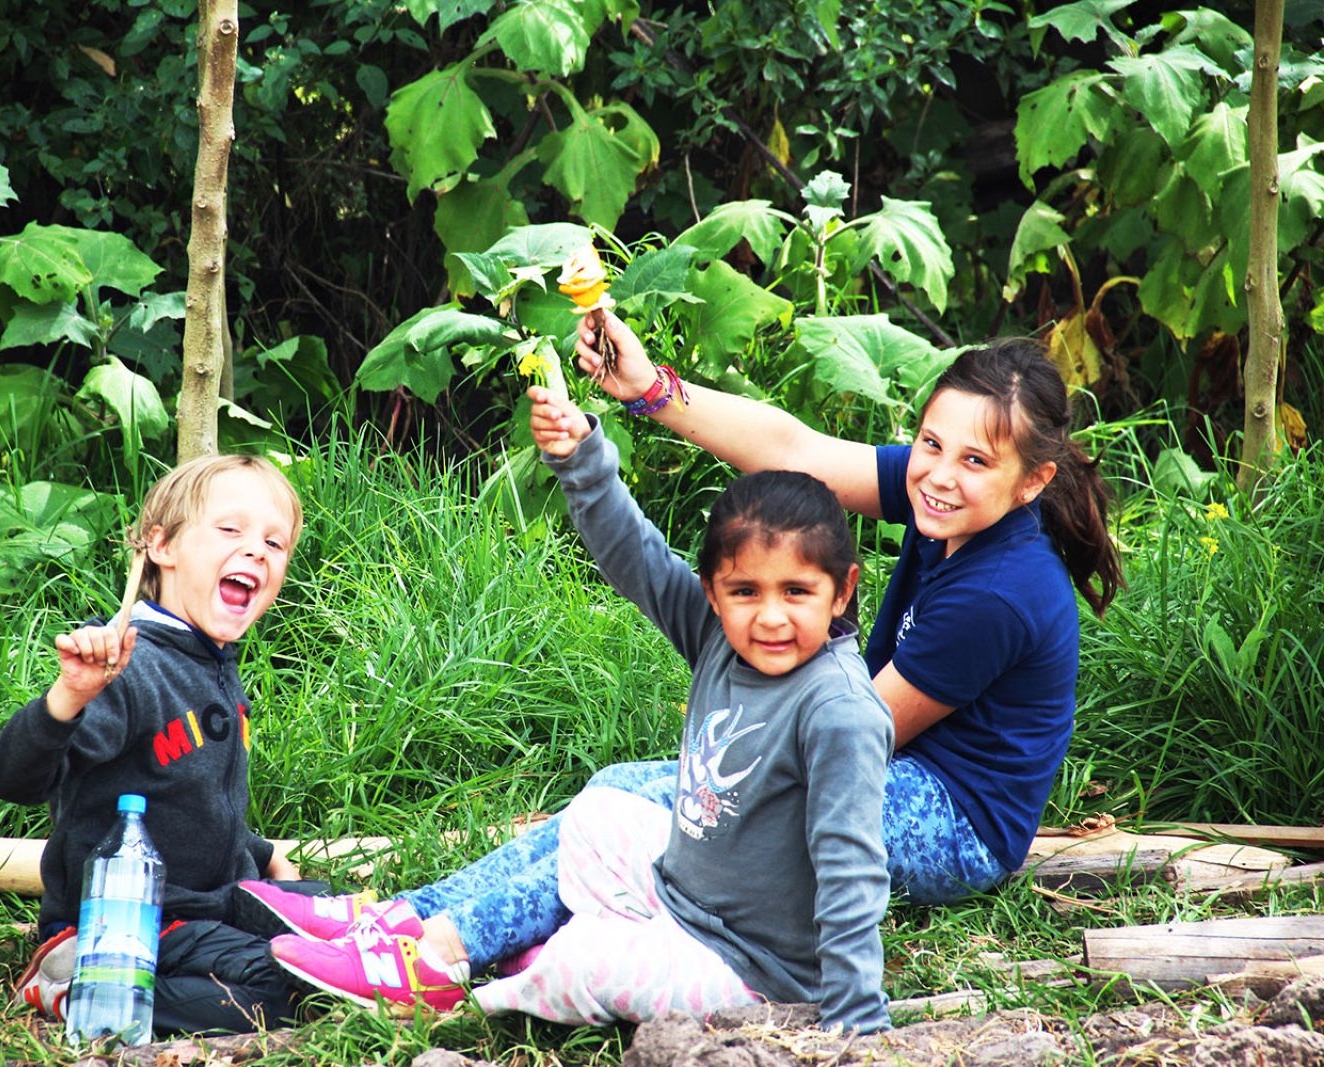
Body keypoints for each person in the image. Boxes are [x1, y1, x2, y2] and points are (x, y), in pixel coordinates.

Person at [236, 314, 1122, 1010]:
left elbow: (850, 738)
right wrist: (648, 386)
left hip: (954, 818)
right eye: (931, 445)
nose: (939, 473)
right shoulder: (953, 501)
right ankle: (401, 917)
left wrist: (711, 772)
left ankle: (433, 955)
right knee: (634, 785)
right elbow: (798, 454)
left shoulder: (1000, 590)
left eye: (974, 460)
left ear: (1031, 481)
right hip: (889, 758)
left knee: (672, 803)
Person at [268, 387, 894, 1029]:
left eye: (797, 591)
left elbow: (852, 870)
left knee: (583, 966)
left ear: (842, 591)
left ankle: (459, 997)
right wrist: (581, 458)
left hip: (755, 968)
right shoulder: (718, 637)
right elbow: (638, 558)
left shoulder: (839, 710)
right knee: (598, 815)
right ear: (711, 592)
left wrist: (856, 1019)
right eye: (745, 590)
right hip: (685, 899)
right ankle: (550, 945)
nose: (769, 616)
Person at [0, 453, 329, 1035]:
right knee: (292, 986)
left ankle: (141, 980)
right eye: (230, 530)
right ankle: (79, 986)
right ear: (162, 546)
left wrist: (263, 853)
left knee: (356, 930)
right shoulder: (129, 667)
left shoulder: (214, 665)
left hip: (213, 903)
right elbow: (11, 779)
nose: (256, 551)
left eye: (275, 543)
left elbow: (188, 795)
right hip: (130, 920)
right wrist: (67, 698)